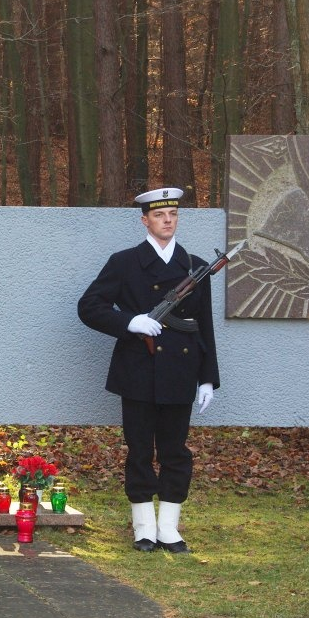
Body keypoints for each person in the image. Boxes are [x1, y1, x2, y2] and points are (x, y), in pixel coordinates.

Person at [77, 187, 218, 554]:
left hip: (181, 372)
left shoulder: (196, 265)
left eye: (172, 214)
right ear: (145, 220)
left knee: (175, 451)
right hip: (138, 371)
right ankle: (144, 528)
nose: (167, 220)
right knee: (139, 450)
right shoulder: (124, 262)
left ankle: (169, 528)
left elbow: (203, 326)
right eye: (159, 215)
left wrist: (207, 378)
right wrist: (131, 322)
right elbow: (89, 306)